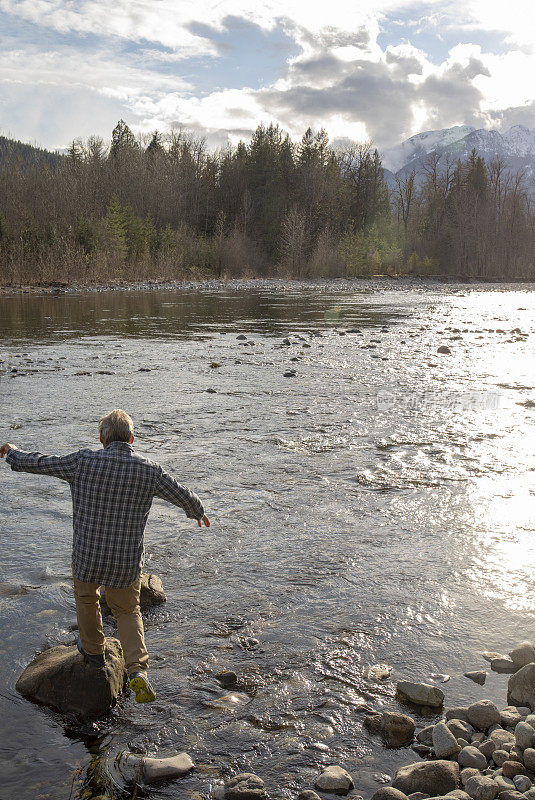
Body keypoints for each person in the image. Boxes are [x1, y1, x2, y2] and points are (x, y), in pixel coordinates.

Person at [0, 409, 209, 704]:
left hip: (88, 557)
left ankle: (95, 653)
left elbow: (41, 463)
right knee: (127, 611)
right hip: (125, 562)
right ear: (132, 438)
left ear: (102, 439)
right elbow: (182, 494)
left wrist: (12, 453)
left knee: (86, 599)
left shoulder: (83, 461)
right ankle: (138, 670)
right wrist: (197, 511)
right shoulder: (149, 470)